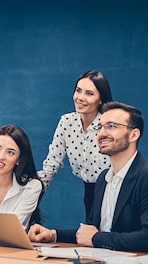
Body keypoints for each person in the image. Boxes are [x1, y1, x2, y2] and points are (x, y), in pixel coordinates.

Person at [29, 102, 148, 253]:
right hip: (101, 262)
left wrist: (96, 238)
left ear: (133, 135)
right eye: (100, 127)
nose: (101, 133)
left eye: (111, 126)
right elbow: (91, 232)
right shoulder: (103, 178)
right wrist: (53, 235)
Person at [39, 70, 113, 220]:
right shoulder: (67, 122)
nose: (80, 98)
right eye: (78, 91)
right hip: (89, 192)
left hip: (114, 191)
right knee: (91, 235)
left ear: (100, 99)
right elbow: (51, 164)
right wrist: (31, 195)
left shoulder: (109, 125)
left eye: (89, 94)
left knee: (107, 238)